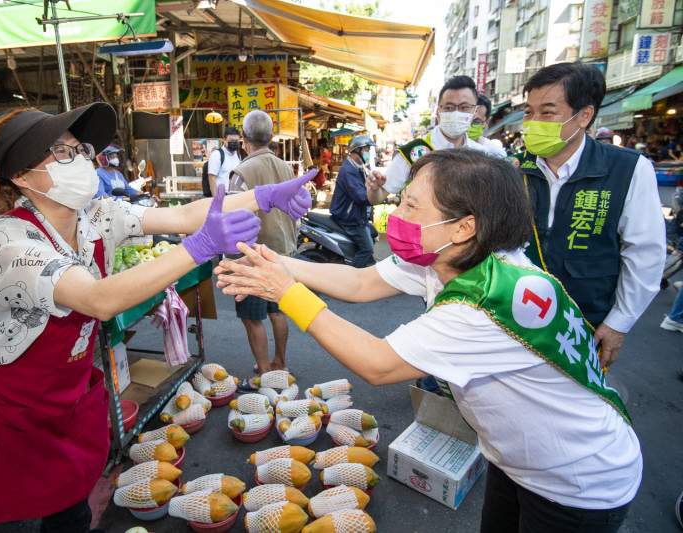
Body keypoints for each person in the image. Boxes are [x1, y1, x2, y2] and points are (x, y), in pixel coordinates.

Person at [216, 149, 640, 532]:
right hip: (518, 464)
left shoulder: (482, 306)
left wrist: (286, 293)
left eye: (410, 203)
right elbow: (361, 282)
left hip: (577, 481)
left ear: (462, 227)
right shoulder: (458, 259)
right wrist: (274, 262)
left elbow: (378, 364)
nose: (395, 211)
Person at [0, 102, 312, 531]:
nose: (83, 161)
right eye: (63, 152)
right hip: (12, 401)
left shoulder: (97, 215)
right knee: (54, 506)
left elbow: (183, 215)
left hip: (64, 386)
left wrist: (263, 196)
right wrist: (198, 248)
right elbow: (97, 300)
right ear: (20, 175)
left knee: (70, 495)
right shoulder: (6, 241)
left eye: (82, 150)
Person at [513, 61, 666, 368]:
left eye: (547, 112)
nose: (533, 122)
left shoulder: (628, 169)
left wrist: (619, 323)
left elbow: (645, 253)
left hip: (584, 326)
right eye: (529, 112)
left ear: (584, 115)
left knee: (573, 408)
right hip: (514, 319)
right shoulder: (514, 168)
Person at [227, 110, 312, 387]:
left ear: (243, 138)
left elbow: (231, 217)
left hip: (253, 255)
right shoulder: (286, 168)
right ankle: (280, 362)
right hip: (284, 252)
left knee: (252, 317)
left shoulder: (241, 172)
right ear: (271, 138)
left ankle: (264, 371)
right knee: (278, 311)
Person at [366, 75, 486, 205]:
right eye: (449, 107)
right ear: (438, 111)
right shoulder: (414, 152)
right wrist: (374, 189)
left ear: (475, 111)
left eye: (464, 107)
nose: (456, 113)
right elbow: (376, 198)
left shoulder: (482, 156)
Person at [329, 135, 377, 269]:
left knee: (373, 233)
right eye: (366, 150)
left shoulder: (357, 167)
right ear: (357, 151)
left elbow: (366, 188)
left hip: (357, 215)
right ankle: (352, 276)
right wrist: (380, 198)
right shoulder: (349, 170)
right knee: (367, 248)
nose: (368, 153)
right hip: (349, 218)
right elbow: (361, 196)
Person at [469, 93, 507, 158]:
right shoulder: (449, 148)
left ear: (486, 123)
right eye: (467, 119)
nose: (469, 125)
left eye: (476, 122)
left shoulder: (497, 154)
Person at [207, 126, 242, 195]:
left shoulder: (238, 155)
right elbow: (211, 177)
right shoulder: (217, 155)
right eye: (231, 141)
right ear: (224, 140)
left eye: (236, 141)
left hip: (235, 194)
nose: (234, 143)